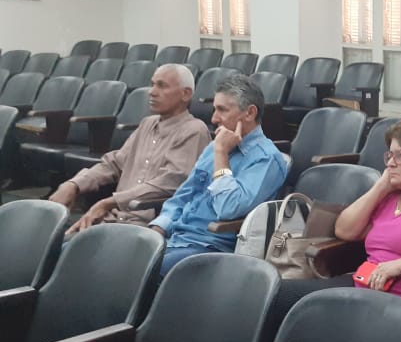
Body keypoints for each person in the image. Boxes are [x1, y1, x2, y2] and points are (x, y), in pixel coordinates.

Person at [268, 119, 401, 329]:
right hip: (363, 285)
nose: (390, 163)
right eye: (389, 155)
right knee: (274, 294)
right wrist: (380, 187)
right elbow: (345, 231)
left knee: (300, 312)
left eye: (400, 156)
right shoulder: (391, 197)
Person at [149, 74, 287, 276]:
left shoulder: (266, 159)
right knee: (123, 257)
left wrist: (221, 154)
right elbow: (184, 195)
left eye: (222, 110)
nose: (214, 119)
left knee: (143, 271)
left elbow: (228, 209)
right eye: (215, 109)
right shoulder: (214, 146)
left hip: (211, 248)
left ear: (249, 113)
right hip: (176, 239)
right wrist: (156, 232)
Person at [48, 64, 210, 232]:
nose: (152, 92)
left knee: (69, 245)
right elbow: (114, 163)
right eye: (152, 84)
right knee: (53, 238)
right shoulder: (147, 123)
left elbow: (170, 183)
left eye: (162, 86)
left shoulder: (194, 130)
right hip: (114, 219)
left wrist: (109, 203)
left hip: (148, 228)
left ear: (186, 94)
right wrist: (74, 184)